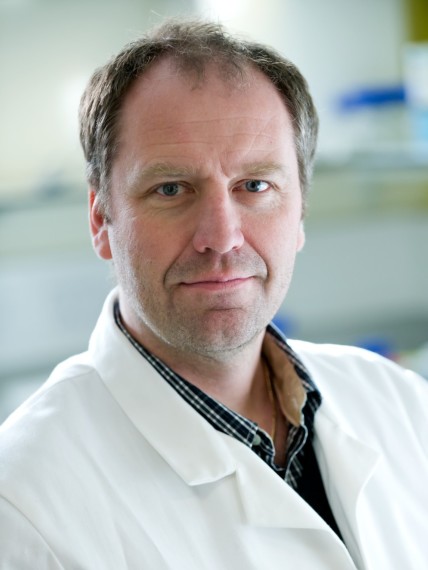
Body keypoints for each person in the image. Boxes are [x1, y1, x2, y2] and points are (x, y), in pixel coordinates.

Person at [0, 19, 427, 570]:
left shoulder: (399, 403)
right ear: (101, 219)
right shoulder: (25, 501)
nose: (222, 237)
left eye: (255, 186)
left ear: (300, 210)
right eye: (171, 189)